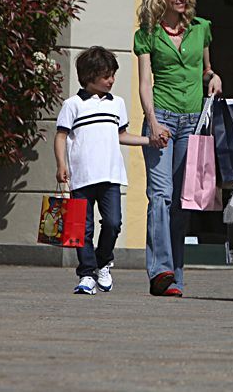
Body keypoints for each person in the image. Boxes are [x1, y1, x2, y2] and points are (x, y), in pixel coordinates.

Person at [134, 0, 222, 297]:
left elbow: (207, 70)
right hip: (163, 118)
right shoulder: (147, 33)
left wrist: (213, 77)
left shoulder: (201, 29)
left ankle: (175, 276)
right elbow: (145, 83)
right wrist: (153, 122)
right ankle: (160, 271)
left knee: (181, 204)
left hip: (192, 121)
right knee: (160, 195)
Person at [55, 46, 155, 295]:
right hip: (82, 177)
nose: (111, 80)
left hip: (111, 176)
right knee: (82, 229)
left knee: (113, 223)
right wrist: (61, 165)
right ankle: (86, 274)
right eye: (106, 76)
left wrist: (149, 141)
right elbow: (61, 136)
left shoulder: (117, 104)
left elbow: (122, 135)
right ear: (89, 76)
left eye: (113, 75)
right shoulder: (73, 104)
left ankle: (102, 262)